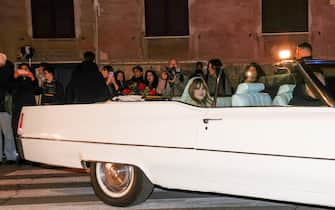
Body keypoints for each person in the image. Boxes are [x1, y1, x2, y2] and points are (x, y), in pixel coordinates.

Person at [12, 63, 38, 139]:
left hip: (30, 105)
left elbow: (37, 91)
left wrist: (32, 78)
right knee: (18, 127)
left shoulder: (32, 79)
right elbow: (11, 90)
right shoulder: (16, 79)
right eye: (22, 69)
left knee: (31, 126)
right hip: (19, 106)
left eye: (26, 69)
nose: (24, 71)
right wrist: (15, 77)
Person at [0, 53, 17, 163]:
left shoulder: (7, 69)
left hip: (4, 107)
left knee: (8, 134)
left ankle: (10, 156)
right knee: (7, 133)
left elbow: (4, 81)